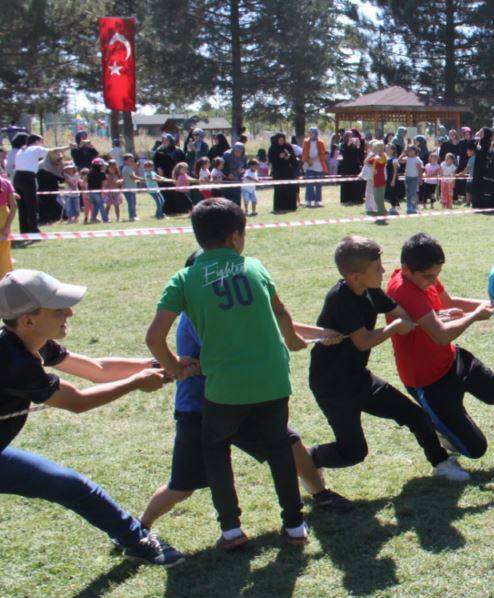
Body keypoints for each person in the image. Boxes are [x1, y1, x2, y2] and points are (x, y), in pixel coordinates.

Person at [146, 198, 333, 550]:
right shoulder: (255, 267)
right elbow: (281, 310)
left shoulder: (184, 279)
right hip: (273, 381)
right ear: (236, 236)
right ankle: (294, 526)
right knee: (278, 447)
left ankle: (231, 530)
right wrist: (293, 340)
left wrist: (173, 367)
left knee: (216, 449)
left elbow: (153, 337)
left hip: (224, 388)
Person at [1, 269, 185, 572]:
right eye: (58, 309)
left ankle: (136, 540)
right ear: (28, 320)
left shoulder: (31, 341)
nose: (69, 312)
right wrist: (137, 382)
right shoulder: (13, 360)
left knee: (68, 484)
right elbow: (77, 402)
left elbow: (97, 369)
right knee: (66, 483)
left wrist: (162, 363)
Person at [386, 232, 494, 468]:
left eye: (437, 275)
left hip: (454, 361)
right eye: (428, 277)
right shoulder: (403, 290)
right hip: (427, 380)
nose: (433, 282)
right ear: (406, 268)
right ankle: (438, 435)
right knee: (474, 448)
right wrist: (475, 316)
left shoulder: (423, 275)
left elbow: (449, 303)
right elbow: (441, 334)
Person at [307, 236, 464, 480]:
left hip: (358, 378)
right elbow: (363, 341)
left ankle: (441, 462)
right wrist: (393, 328)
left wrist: (436, 317)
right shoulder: (340, 298)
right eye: (377, 268)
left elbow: (402, 315)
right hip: (333, 386)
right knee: (353, 451)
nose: (383, 270)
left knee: (415, 416)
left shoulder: (371, 291)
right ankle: (307, 457)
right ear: (355, 276)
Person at [268, 133, 299, 214]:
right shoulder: (272, 148)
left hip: (288, 171)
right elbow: (271, 160)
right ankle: (279, 207)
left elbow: (294, 159)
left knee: (290, 189)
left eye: (283, 140)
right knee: (279, 189)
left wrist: (289, 157)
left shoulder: (288, 146)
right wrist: (279, 157)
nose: (282, 142)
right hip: (278, 172)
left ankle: (290, 206)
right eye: (280, 140)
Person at [299, 128, 327, 208]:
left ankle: (317, 201)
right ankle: (308, 201)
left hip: (319, 166)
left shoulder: (321, 142)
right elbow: (304, 153)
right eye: (309, 132)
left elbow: (323, 154)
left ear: (315, 133)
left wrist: (315, 159)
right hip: (309, 165)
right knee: (309, 183)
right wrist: (307, 160)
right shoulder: (305, 141)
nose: (310, 134)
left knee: (318, 184)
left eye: (311, 133)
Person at [339, 129, 367, 205]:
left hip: (355, 166)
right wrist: (348, 143)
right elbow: (343, 152)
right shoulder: (342, 144)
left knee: (356, 183)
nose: (351, 137)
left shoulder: (354, 144)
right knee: (346, 183)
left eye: (352, 135)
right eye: (349, 136)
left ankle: (356, 198)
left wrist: (358, 145)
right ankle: (346, 199)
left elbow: (359, 153)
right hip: (346, 166)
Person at [364, 141, 389, 221]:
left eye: (375, 149)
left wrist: (375, 155)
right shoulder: (375, 156)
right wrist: (371, 155)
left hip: (381, 180)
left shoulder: (383, 157)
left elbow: (380, 160)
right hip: (375, 180)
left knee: (379, 198)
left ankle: (381, 214)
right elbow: (366, 162)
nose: (373, 150)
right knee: (377, 198)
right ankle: (383, 212)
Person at [401, 142, 424, 214]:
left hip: (415, 178)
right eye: (408, 150)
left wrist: (420, 179)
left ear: (415, 151)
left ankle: (413, 207)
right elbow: (399, 160)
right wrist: (403, 154)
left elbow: (420, 170)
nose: (409, 151)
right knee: (408, 193)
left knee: (413, 193)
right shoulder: (407, 158)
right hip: (407, 178)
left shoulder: (417, 159)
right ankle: (409, 206)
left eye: (411, 150)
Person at [0, 176, 13, 276]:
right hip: (4, 217)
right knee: (4, 254)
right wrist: (7, 226)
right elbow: (14, 206)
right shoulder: (6, 182)